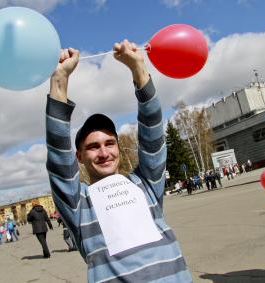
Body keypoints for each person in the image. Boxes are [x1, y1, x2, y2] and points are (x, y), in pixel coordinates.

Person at [45, 40, 192, 282]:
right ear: (79, 157)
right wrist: (60, 80)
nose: (104, 153)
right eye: (93, 147)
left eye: (109, 143)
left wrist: (138, 69)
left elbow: (152, 130)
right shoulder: (77, 203)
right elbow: (58, 154)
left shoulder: (145, 183)